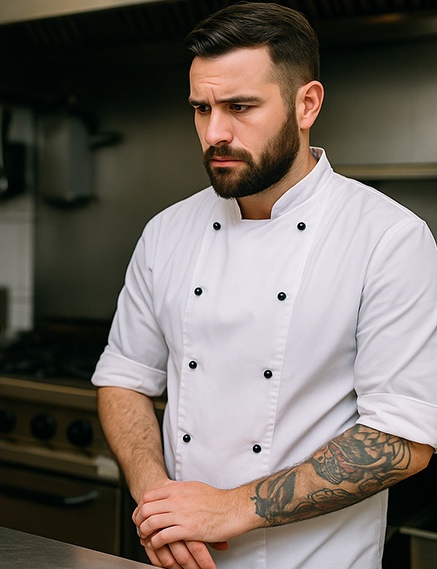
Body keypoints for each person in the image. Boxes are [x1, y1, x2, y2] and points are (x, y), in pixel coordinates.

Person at [92, 3, 437, 569]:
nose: (215, 132)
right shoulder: (167, 231)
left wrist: (231, 508)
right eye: (200, 109)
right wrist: (159, 504)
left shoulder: (389, 238)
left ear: (308, 104)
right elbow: (125, 379)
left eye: (240, 107)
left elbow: (401, 441)